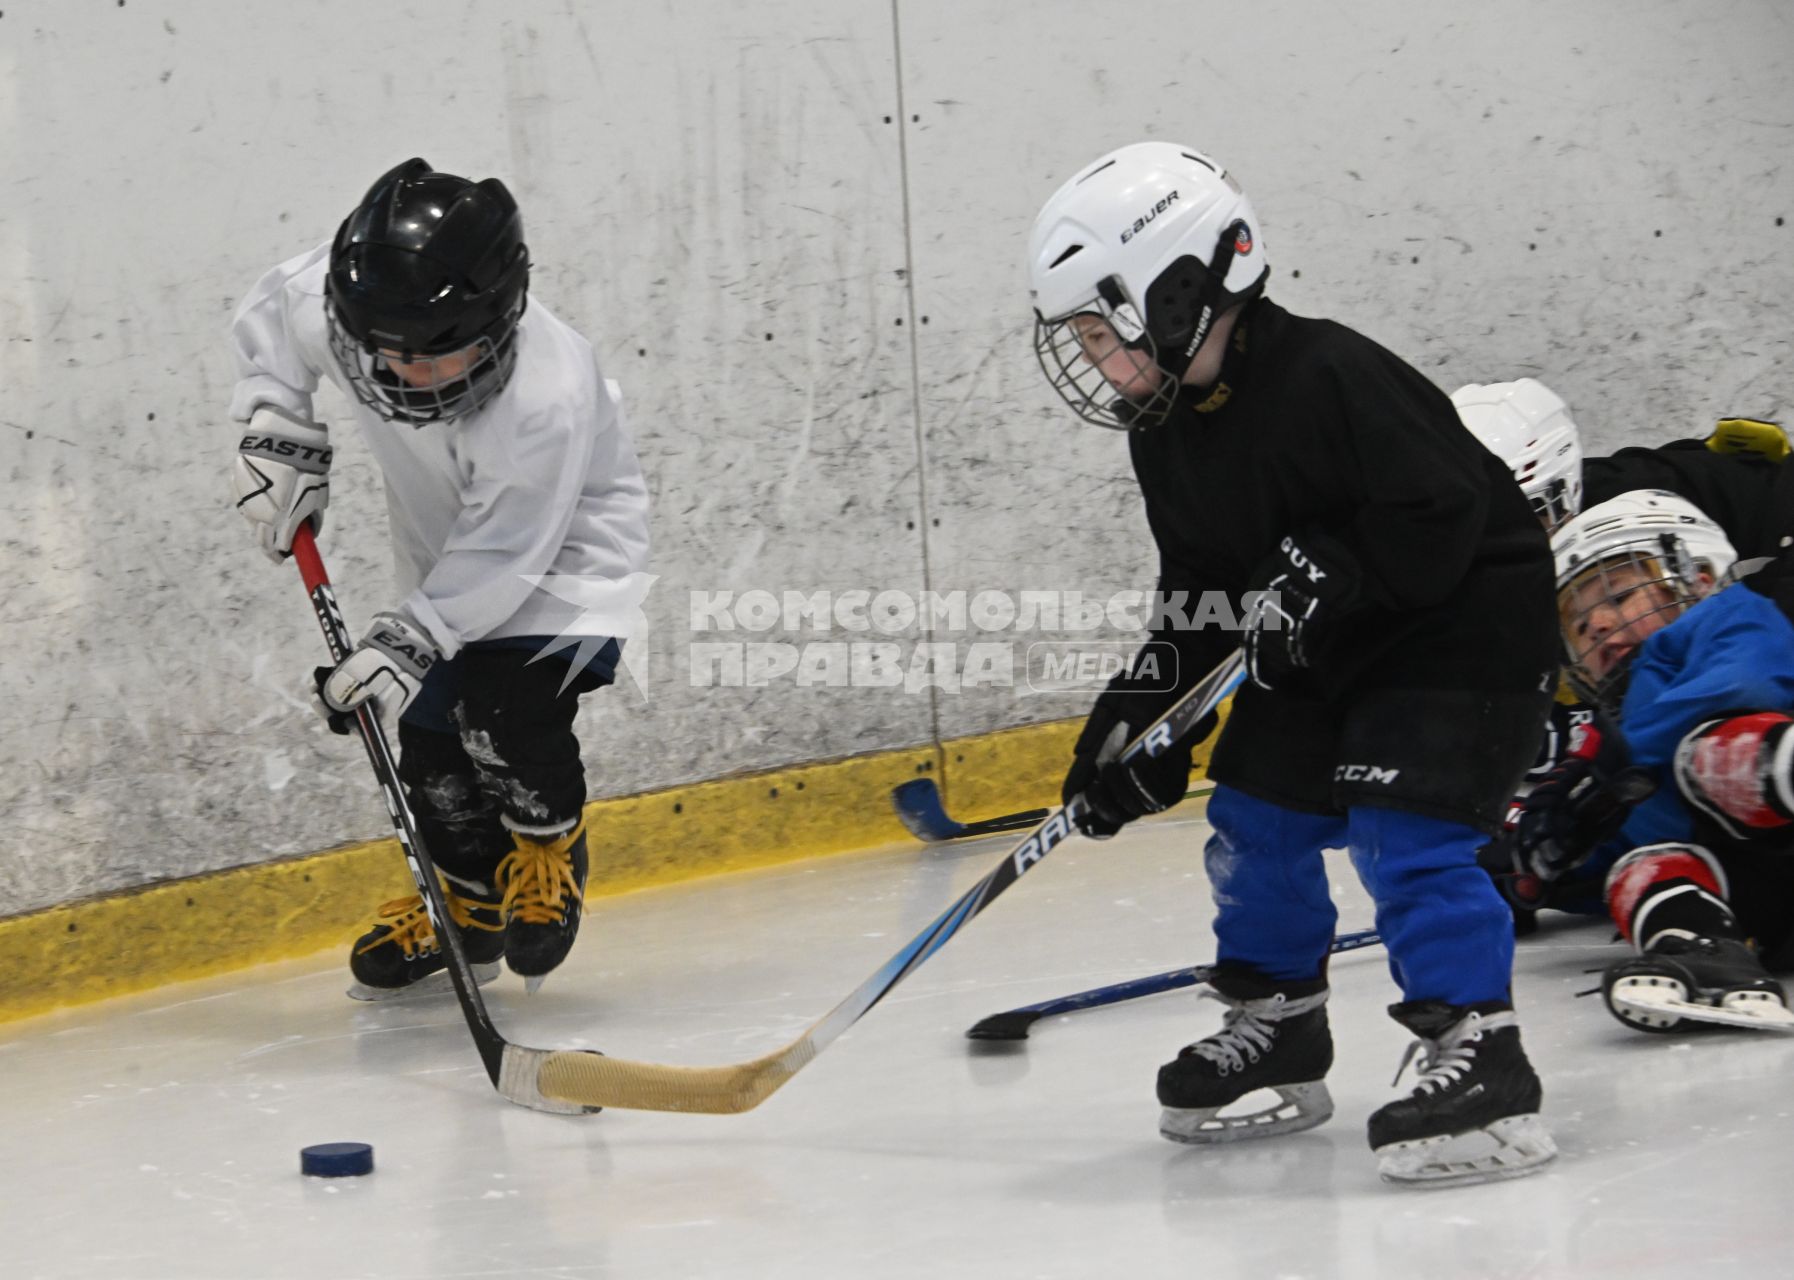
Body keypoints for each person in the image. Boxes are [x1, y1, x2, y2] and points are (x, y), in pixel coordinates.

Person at [1028, 141, 1560, 1187]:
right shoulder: (1165, 429)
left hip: (1460, 633)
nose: (1092, 355)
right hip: (1332, 648)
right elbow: (1203, 593)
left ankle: (1482, 1047)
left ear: (1178, 290)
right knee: (1255, 821)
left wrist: (1341, 562)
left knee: (1402, 837)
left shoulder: (1331, 371)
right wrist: (1134, 720)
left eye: (1101, 327)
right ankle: (1282, 1018)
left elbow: (1446, 509)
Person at [230, 158, 651, 999]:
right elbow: (273, 317)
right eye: (386, 354)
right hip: (441, 559)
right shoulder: (343, 297)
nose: (407, 376)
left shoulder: (546, 395)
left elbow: (507, 552)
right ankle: (466, 909)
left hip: (561, 565)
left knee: (502, 712)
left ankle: (546, 847)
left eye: (441, 358)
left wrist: (409, 639)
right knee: (431, 752)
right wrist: (276, 422)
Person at [1506, 489, 1794, 1031]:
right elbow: (1607, 845)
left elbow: (1747, 682)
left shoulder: (1728, 618)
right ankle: (1701, 949)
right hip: (1771, 908)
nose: (1597, 625)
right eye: (1579, 623)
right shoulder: (1609, 741)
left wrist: (1603, 770)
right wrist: (1534, 861)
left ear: (1698, 577)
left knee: (1709, 751)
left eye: (1615, 596)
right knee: (1639, 866)